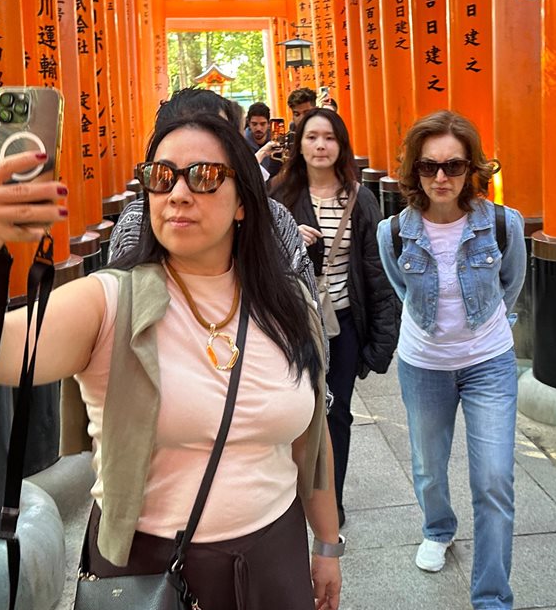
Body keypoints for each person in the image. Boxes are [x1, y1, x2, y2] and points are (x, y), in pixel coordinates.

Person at [0, 115, 342, 610]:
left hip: (271, 555)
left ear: (244, 202)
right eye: (161, 176)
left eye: (203, 177)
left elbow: (310, 440)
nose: (178, 192)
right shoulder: (111, 302)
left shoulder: (286, 304)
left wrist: (327, 542)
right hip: (148, 571)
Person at [374, 111, 528, 610]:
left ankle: (493, 604)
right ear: (414, 171)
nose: (442, 177)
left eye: (454, 165)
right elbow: (401, 290)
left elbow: (511, 285)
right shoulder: (392, 232)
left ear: (472, 168)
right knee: (428, 466)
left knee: (493, 478)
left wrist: (482, 330)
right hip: (423, 364)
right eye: (430, 166)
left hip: (489, 362)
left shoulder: (504, 223)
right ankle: (438, 527)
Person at [271, 108, 399, 529]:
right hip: (291, 324)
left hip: (341, 325)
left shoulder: (359, 199)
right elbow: (257, 259)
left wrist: (380, 342)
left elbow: (377, 270)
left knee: (336, 412)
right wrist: (290, 239)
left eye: (329, 137)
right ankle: (288, 494)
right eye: (312, 137)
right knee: (289, 410)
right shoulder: (281, 196)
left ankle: (332, 497)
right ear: (299, 145)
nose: (320, 145)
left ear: (341, 145)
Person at [108, 88, 316, 308]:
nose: (179, 195)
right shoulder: (134, 222)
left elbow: (309, 322)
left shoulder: (276, 219)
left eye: (204, 173)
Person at [243, 101, 283, 179]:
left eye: (262, 124)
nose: (258, 128)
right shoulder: (242, 143)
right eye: (254, 124)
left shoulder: (277, 141)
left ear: (269, 124)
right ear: (249, 123)